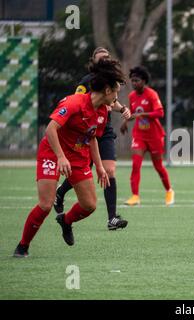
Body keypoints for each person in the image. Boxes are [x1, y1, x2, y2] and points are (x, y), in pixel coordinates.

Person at [13, 58, 126, 257]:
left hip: (77, 155)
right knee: (46, 205)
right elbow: (50, 129)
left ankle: (66, 221)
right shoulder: (74, 102)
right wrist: (60, 157)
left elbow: (92, 139)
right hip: (52, 151)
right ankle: (23, 246)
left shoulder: (102, 112)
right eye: (116, 92)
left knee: (89, 205)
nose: (117, 97)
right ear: (107, 90)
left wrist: (99, 167)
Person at [53, 47, 131, 231]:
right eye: (100, 59)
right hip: (86, 132)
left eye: (106, 58)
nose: (104, 61)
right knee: (83, 170)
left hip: (104, 131)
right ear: (94, 61)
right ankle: (60, 193)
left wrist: (121, 109)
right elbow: (78, 101)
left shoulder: (111, 84)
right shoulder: (86, 82)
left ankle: (112, 218)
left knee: (109, 171)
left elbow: (113, 99)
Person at [120, 66, 175, 206]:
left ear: (144, 81)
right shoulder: (132, 96)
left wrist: (143, 115)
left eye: (136, 80)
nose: (134, 83)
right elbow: (132, 113)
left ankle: (169, 191)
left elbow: (160, 113)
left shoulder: (151, 94)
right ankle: (135, 196)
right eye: (132, 80)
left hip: (155, 136)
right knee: (136, 165)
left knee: (158, 166)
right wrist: (125, 122)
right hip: (139, 135)